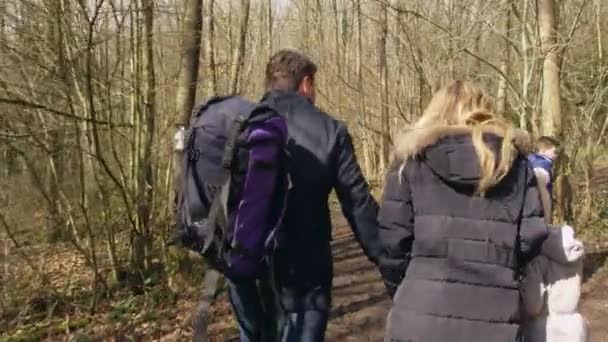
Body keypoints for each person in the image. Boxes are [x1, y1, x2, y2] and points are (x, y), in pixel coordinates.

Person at [227, 49, 384, 342]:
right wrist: (387, 258)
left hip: (245, 263)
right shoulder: (330, 130)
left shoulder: (242, 124)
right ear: (306, 83)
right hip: (306, 269)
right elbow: (357, 202)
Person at [378, 80, 549, 342]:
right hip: (494, 319)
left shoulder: (412, 162)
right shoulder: (514, 164)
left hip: (420, 317)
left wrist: (402, 289)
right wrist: (503, 263)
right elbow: (531, 235)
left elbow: (392, 241)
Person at [528, 136, 559, 223]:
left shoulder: (530, 160)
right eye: (554, 152)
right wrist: (547, 218)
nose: (556, 155)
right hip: (537, 210)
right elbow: (543, 193)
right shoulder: (542, 165)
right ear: (543, 151)